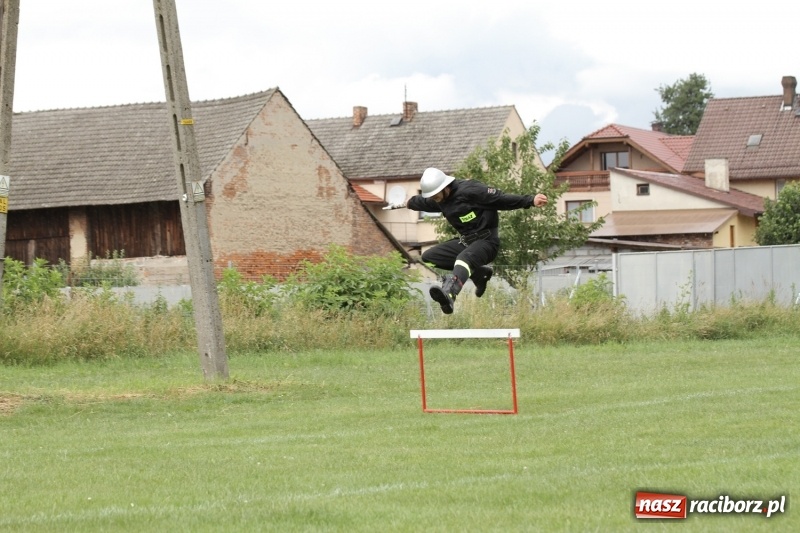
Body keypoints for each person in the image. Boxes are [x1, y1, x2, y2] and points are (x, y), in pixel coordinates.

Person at [384, 167, 548, 314]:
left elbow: (501, 199)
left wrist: (530, 200)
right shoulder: (440, 200)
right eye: (432, 197)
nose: (435, 199)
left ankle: (449, 294)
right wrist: (409, 203)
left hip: (487, 242)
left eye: (436, 195)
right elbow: (422, 202)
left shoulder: (471, 190)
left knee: (464, 259)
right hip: (466, 242)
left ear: (445, 187)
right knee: (430, 257)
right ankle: (479, 274)